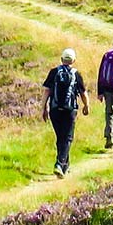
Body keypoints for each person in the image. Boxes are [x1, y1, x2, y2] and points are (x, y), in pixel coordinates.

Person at [42, 48, 89, 178]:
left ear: (61, 59)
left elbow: (46, 91)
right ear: (73, 60)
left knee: (60, 138)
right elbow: (83, 93)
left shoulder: (54, 72)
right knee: (67, 138)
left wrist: (44, 108)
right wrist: (86, 105)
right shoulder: (76, 74)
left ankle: (64, 166)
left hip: (55, 110)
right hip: (70, 110)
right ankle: (59, 163)